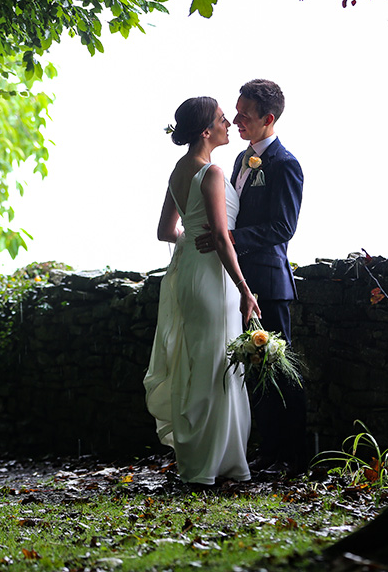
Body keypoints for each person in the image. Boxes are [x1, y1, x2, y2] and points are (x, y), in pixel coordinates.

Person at [143, 96, 259, 485]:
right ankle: (209, 466)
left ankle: (205, 460)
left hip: (189, 270)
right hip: (212, 277)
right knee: (216, 368)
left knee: (198, 364)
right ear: (207, 131)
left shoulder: (178, 169)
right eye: (224, 119)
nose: (230, 123)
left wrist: (192, 239)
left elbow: (165, 232)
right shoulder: (211, 172)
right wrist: (245, 290)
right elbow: (224, 240)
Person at [195, 79, 307, 474]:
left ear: (268, 118)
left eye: (245, 114)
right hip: (239, 280)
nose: (236, 118)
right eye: (236, 111)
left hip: (270, 281)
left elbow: (282, 227)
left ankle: (293, 455)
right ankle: (269, 450)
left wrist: (229, 238)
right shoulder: (242, 160)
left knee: (279, 370)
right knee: (251, 368)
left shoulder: (286, 164)